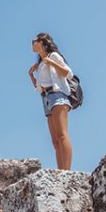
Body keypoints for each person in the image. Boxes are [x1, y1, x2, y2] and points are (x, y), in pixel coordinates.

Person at [28, 32, 74, 170]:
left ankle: (67, 172)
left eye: (34, 41)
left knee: (62, 135)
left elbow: (68, 73)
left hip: (58, 96)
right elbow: (39, 88)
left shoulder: (53, 56)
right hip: (47, 98)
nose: (32, 43)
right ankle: (60, 172)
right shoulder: (41, 64)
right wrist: (31, 75)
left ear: (42, 42)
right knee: (55, 141)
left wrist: (52, 62)